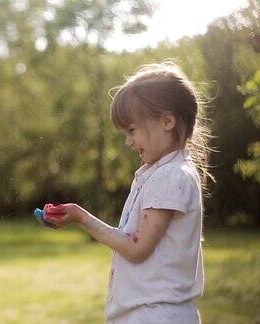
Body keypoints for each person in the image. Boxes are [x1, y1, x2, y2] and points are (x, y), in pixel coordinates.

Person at [43, 62, 211, 323]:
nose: (128, 141)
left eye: (132, 130)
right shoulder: (161, 173)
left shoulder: (170, 175)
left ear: (167, 121)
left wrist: (82, 218)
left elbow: (137, 248)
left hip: (155, 315)